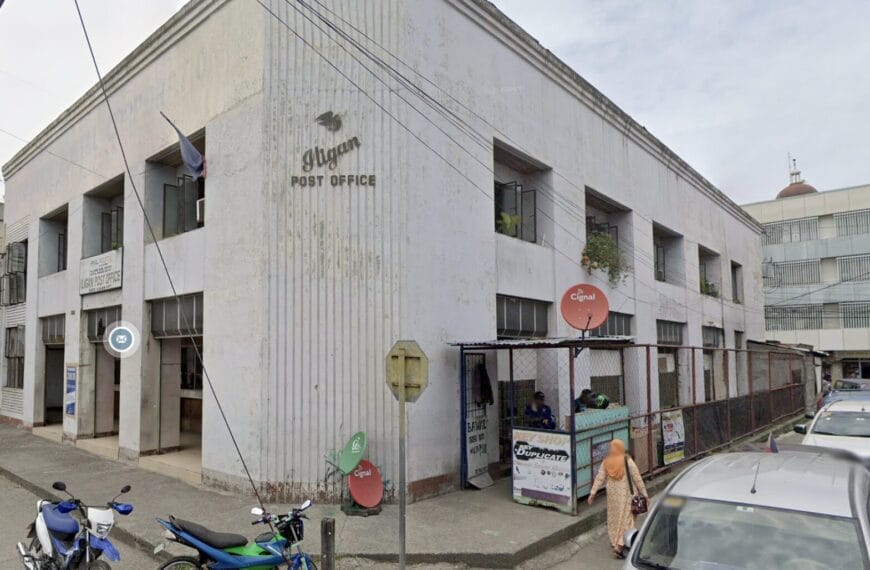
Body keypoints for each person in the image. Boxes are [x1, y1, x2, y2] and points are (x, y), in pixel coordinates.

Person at [587, 439, 648, 558]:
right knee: (627, 519)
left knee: (615, 518)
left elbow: (599, 477)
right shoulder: (627, 460)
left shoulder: (606, 461)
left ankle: (615, 540)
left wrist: (592, 493)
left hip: (612, 496)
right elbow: (637, 478)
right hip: (626, 495)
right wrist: (645, 494)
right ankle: (619, 545)